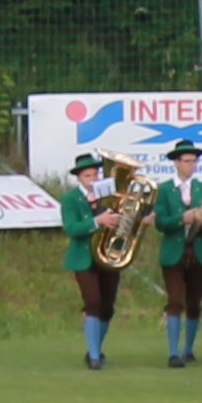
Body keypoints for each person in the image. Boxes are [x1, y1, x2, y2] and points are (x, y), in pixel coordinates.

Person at [60, 156, 127, 369]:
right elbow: (72, 228)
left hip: (108, 254)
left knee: (108, 306)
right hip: (84, 257)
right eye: (87, 175)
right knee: (93, 302)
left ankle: (94, 350)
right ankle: (95, 356)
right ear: (79, 178)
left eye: (95, 174)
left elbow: (122, 222)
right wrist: (96, 221)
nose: (92, 178)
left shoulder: (108, 196)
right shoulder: (70, 198)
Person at [156, 145, 202, 369]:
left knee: (194, 302)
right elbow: (160, 222)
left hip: (197, 250)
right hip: (174, 251)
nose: (191, 165)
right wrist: (181, 218)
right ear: (177, 163)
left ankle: (188, 349)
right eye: (187, 161)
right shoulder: (164, 189)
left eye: (194, 161)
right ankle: (173, 352)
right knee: (175, 300)